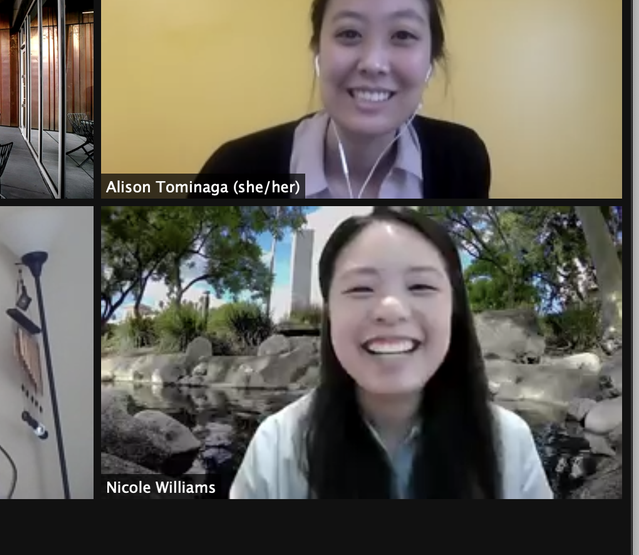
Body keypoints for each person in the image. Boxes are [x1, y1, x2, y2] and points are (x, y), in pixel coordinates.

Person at [230, 208, 551, 499]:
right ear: (330, 313)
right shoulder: (276, 447)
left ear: (453, 308)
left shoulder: (509, 443)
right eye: (360, 288)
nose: (391, 308)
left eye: (420, 286)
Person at [199, 0, 490, 198]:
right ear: (317, 50)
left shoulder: (461, 160)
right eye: (349, 33)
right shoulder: (234, 170)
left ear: (431, 58)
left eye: (402, 35)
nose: (373, 63)